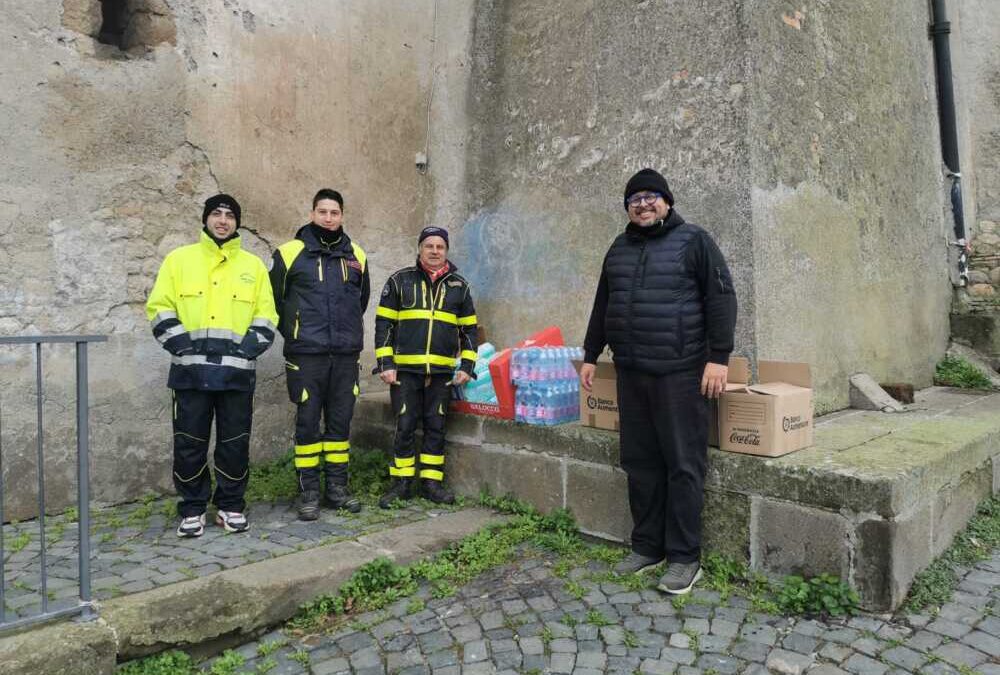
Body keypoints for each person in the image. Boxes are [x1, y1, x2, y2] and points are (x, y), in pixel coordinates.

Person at [580, 169, 737, 594]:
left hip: (681, 374)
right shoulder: (618, 248)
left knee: (683, 466)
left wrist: (718, 358)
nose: (643, 204)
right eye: (635, 199)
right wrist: (591, 355)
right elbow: (603, 303)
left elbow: (721, 297)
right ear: (628, 208)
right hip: (632, 373)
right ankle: (648, 546)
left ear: (667, 201)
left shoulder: (695, 242)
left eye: (651, 197)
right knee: (640, 463)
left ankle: (685, 557)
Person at [146, 194, 278, 538]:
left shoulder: (253, 267)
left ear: (238, 222)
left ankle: (231, 506)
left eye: (230, 215)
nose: (223, 220)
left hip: (236, 374)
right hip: (190, 373)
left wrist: (248, 349)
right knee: (189, 443)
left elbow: (267, 314)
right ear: (205, 219)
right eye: (216, 214)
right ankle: (192, 508)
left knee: (234, 444)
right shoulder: (179, 260)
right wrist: (182, 345)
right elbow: (159, 307)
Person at [269, 189, 370, 520]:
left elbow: (361, 300)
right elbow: (274, 301)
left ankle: (337, 489)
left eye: (335, 212)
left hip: (344, 356)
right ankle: (308, 492)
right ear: (312, 213)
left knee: (340, 424)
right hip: (307, 355)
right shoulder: (289, 253)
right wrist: (297, 333)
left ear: (342, 215)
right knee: (308, 426)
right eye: (323, 211)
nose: (329, 217)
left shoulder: (357, 255)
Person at [374, 226, 478, 508]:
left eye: (440, 247)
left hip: (443, 373)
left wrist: (467, 365)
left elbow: (469, 330)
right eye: (429, 246)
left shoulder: (460, 286)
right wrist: (385, 363)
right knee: (405, 424)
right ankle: (402, 483)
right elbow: (384, 324)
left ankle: (431, 483)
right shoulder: (399, 281)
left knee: (436, 426)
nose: (434, 251)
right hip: (406, 371)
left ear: (446, 251)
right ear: (419, 249)